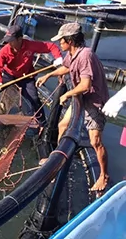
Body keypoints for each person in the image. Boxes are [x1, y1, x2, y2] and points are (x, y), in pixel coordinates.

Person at [36, 22, 110, 191]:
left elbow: (85, 85)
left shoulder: (85, 55)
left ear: (69, 40)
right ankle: (57, 158)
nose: (59, 44)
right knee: (63, 124)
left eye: (61, 41)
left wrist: (68, 94)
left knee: (95, 142)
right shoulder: (73, 53)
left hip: (94, 101)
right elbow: (66, 67)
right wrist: (48, 75)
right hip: (82, 99)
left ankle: (104, 176)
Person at [0, 24, 63, 129]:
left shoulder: (30, 45)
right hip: (9, 74)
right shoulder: (5, 50)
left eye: (12, 40)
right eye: (8, 40)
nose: (9, 43)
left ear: (20, 39)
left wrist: (58, 57)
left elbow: (51, 46)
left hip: (26, 75)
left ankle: (42, 123)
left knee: (34, 98)